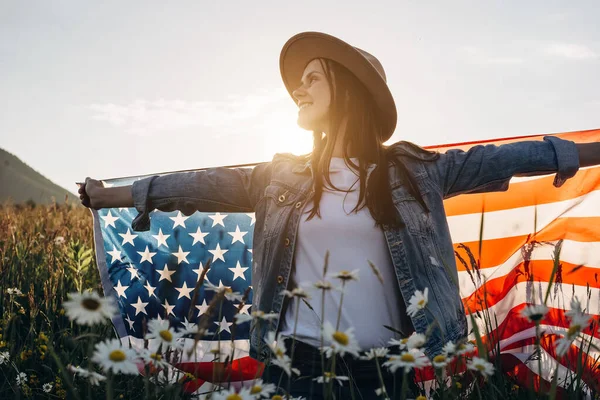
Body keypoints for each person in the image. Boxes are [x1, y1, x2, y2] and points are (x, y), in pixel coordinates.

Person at [79, 32, 596, 399]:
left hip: (388, 375)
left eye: (311, 79)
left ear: (348, 91)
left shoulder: (416, 172)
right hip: (297, 372)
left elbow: (509, 157)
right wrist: (115, 195)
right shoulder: (277, 177)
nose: (297, 91)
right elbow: (195, 185)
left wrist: (592, 152)